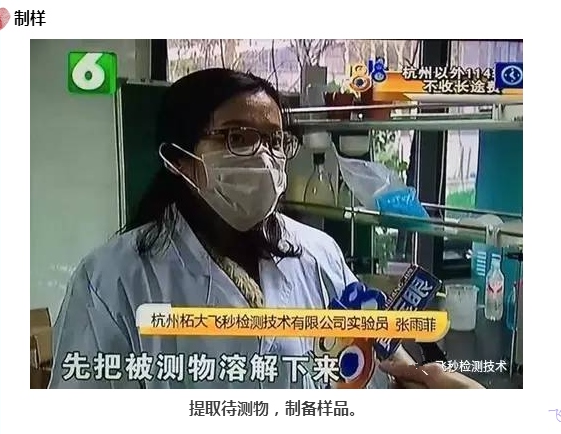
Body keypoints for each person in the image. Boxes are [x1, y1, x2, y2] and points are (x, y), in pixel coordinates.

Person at [50, 68, 419, 389]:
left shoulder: (318, 253)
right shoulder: (113, 280)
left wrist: (400, 376)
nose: (263, 157)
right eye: (237, 138)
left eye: (274, 140)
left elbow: (362, 369)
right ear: (179, 158)